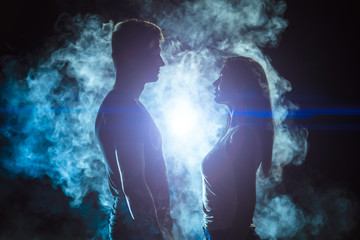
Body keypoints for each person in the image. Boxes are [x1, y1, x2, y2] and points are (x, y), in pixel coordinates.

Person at [95, 19, 174, 240]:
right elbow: (134, 185)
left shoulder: (125, 104)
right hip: (137, 231)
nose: (161, 62)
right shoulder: (124, 108)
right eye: (154, 52)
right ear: (131, 56)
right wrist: (155, 235)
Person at [202, 56, 274, 240]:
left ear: (240, 85)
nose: (214, 82)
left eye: (222, 76)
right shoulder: (233, 130)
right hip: (219, 232)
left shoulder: (243, 135)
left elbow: (246, 203)